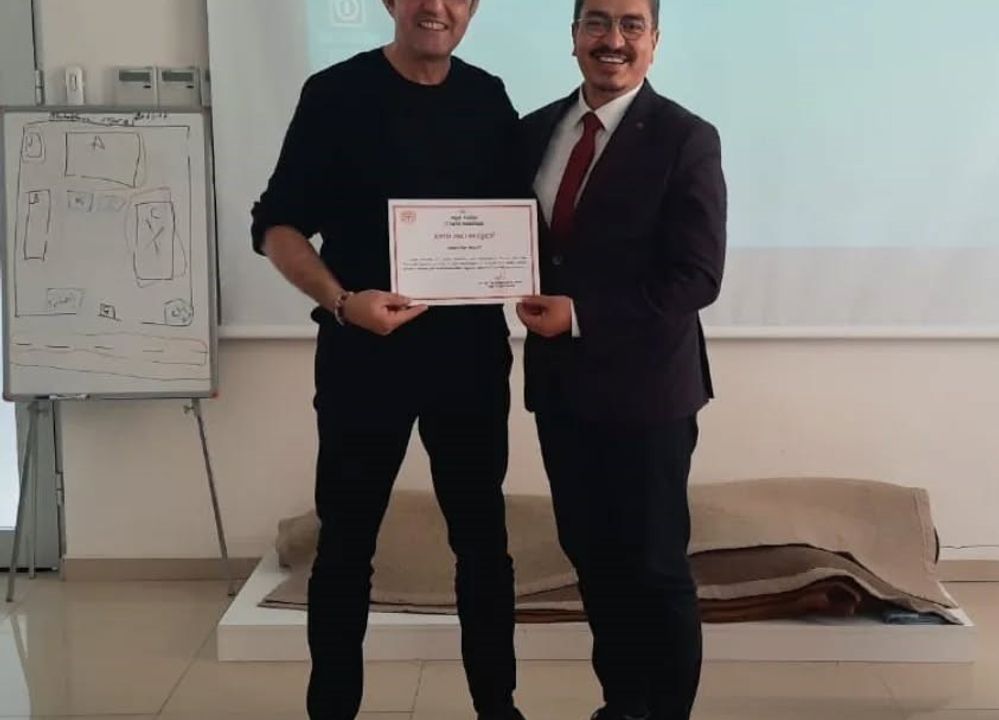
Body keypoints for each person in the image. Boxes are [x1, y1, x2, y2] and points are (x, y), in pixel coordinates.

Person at [250, 1, 525, 718]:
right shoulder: (335, 95)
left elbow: (516, 221)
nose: (436, 7)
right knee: (345, 548)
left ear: (472, 7)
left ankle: (498, 708)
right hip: (363, 359)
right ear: (389, 2)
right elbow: (277, 225)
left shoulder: (488, 97)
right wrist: (343, 302)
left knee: (484, 547)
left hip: (469, 362)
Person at [516, 0, 728, 717]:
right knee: (595, 563)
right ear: (574, 36)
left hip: (648, 398)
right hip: (561, 392)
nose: (613, 40)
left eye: (631, 25)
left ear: (654, 42)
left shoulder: (685, 137)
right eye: (597, 23)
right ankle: (622, 705)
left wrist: (581, 314)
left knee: (655, 570)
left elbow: (697, 276)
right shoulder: (534, 130)